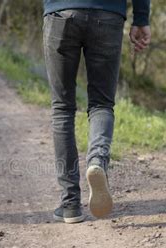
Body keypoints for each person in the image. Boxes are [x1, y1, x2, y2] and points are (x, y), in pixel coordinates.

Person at [43, 0, 151, 223]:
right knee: (101, 104)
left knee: (63, 108)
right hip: (108, 15)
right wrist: (141, 19)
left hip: (60, 14)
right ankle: (96, 162)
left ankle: (70, 204)